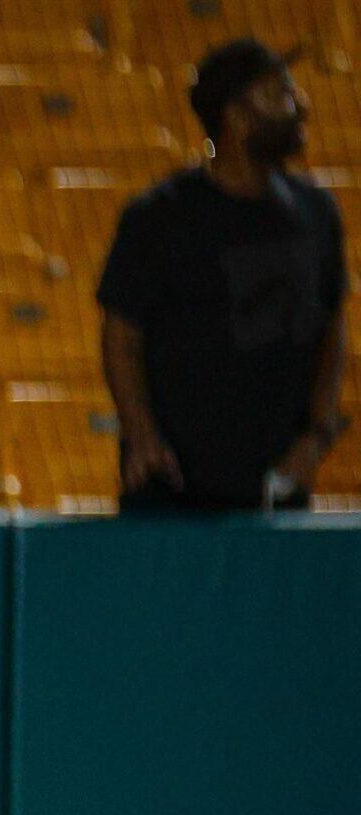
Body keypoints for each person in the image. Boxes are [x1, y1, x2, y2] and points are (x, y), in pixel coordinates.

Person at [99, 37, 348, 513]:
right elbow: (121, 336)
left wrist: (315, 439)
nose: (299, 106)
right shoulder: (159, 218)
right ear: (235, 118)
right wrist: (142, 434)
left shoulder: (317, 212)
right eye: (278, 95)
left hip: (277, 491)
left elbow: (333, 332)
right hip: (173, 490)